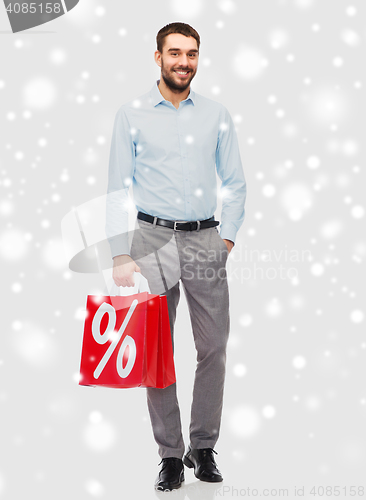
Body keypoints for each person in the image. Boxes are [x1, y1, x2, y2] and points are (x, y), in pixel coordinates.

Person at [105, 22, 247, 491]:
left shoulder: (217, 114)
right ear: (158, 57)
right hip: (151, 239)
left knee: (214, 349)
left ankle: (202, 447)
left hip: (206, 239)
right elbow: (116, 189)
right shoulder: (131, 115)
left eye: (191, 54)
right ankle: (169, 455)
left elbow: (236, 183)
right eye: (175, 53)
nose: (183, 62)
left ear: (198, 58)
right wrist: (121, 253)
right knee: (156, 352)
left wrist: (225, 240)